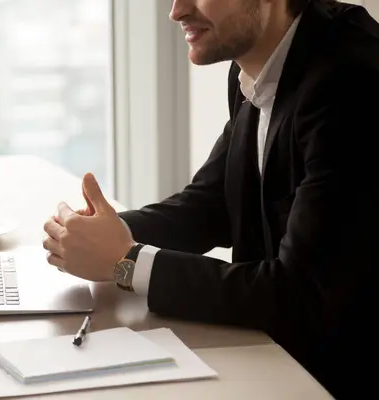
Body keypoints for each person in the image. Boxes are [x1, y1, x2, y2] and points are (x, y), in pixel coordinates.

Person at [42, 0, 379, 398]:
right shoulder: (257, 62)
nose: (177, 11)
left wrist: (126, 263)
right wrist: (102, 235)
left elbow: (300, 296)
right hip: (279, 364)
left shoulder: (351, 82)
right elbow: (211, 205)